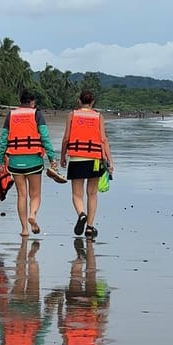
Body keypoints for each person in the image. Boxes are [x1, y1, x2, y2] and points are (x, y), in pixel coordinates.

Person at [0, 89, 58, 236]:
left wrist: (0, 160)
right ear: (32, 103)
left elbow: (4, 139)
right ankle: (33, 215)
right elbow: (45, 137)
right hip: (34, 161)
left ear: (20, 102)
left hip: (15, 161)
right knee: (35, 195)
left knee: (21, 195)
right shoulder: (37, 114)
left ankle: (24, 229)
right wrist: (52, 158)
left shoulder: (11, 115)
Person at [60, 89, 114, 239]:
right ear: (92, 102)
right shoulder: (98, 116)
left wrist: (62, 156)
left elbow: (66, 138)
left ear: (79, 101)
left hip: (77, 158)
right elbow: (103, 139)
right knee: (92, 193)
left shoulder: (72, 115)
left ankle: (81, 214)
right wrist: (110, 160)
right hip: (95, 159)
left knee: (77, 194)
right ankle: (89, 227)